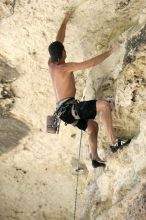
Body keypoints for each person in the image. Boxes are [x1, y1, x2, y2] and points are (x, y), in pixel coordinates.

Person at [48, 11, 130, 168]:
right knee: (104, 105)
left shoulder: (52, 64)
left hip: (63, 112)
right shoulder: (64, 67)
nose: (65, 50)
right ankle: (114, 143)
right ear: (63, 54)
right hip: (70, 108)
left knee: (92, 127)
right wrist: (110, 52)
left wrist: (65, 20)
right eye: (64, 50)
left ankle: (94, 158)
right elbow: (90, 63)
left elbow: (58, 41)